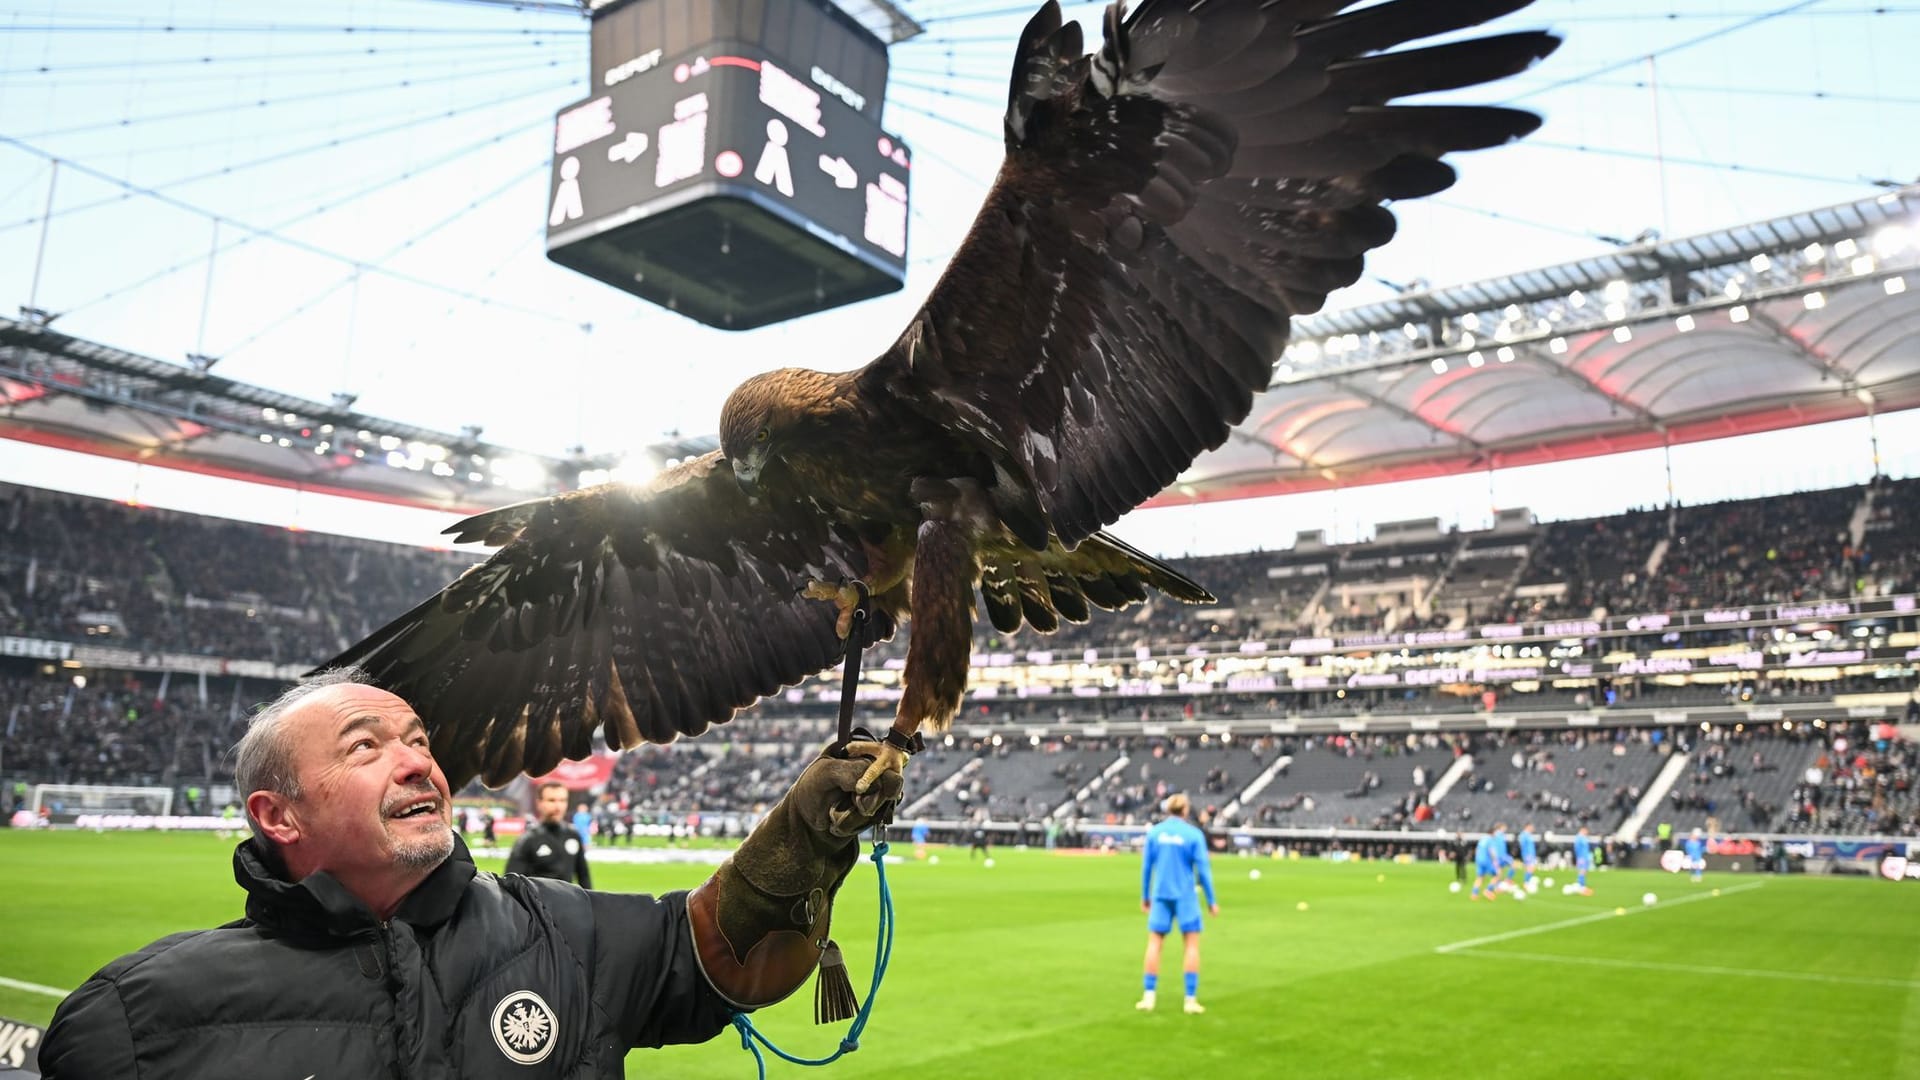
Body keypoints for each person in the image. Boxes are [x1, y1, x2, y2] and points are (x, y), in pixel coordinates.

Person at [38, 669, 904, 1078]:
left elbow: (719, 954)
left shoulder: (574, 937)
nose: (417, 762)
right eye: (366, 747)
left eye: (419, 740)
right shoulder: (135, 1025)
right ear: (279, 814)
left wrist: (805, 842)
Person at [1136, 793, 1218, 1015]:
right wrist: (1211, 900)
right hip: (1185, 896)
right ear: (1185, 810)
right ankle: (1190, 1000)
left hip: (1161, 894)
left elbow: (1146, 868)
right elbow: (1204, 870)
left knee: (1154, 944)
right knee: (1191, 946)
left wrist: (1145, 896)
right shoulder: (1193, 835)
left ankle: (1148, 997)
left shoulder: (1155, 833)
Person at [506, 780, 593, 887]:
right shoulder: (528, 840)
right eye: (551, 800)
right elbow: (510, 884)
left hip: (566, 902)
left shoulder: (573, 835)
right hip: (537, 903)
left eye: (562, 800)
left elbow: (584, 877)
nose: (558, 806)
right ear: (539, 803)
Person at [1470, 823, 1507, 901]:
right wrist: (1495, 861)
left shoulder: (1482, 839)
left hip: (1479, 860)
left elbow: (1477, 850)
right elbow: (1491, 851)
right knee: (1498, 874)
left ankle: (1474, 894)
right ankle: (1488, 890)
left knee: (1480, 877)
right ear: (1493, 833)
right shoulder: (1490, 840)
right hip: (1486, 861)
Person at [1572, 825, 1595, 896]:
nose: (1587, 832)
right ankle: (1581, 886)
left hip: (1584, 857)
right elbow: (1577, 849)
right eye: (1586, 830)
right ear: (1582, 830)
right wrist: (1579, 857)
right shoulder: (1579, 838)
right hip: (1582, 857)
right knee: (1582, 871)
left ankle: (1581, 885)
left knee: (1584, 871)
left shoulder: (1583, 838)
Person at [1518, 823, 1540, 892]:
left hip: (1531, 854)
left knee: (1531, 868)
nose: (1533, 828)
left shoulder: (1529, 835)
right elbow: (1522, 845)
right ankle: (1526, 883)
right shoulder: (1523, 835)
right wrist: (1525, 855)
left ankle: (1527, 882)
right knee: (1530, 868)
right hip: (1527, 855)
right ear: (1527, 827)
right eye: (1531, 827)